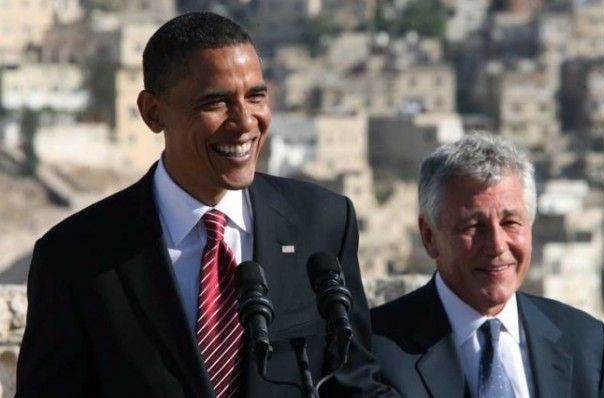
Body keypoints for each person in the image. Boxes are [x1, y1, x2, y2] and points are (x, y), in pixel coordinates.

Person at [16, 12, 397, 398]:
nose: (245, 122)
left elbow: (355, 382)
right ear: (152, 112)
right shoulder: (76, 256)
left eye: (256, 96)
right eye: (216, 102)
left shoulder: (321, 222)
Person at [370, 134, 604, 398]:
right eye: (474, 226)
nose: (497, 245)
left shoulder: (585, 343)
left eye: (511, 223)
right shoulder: (372, 351)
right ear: (430, 236)